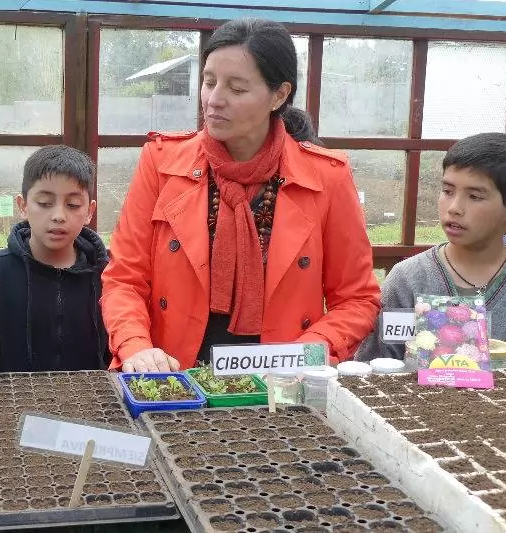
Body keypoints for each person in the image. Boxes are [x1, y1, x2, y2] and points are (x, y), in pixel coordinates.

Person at [100, 18, 381, 373]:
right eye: (208, 81)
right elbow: (125, 278)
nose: (214, 100)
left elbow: (357, 299)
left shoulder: (327, 177)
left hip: (279, 383)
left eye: (237, 88)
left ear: (279, 95)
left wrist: (304, 355)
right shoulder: (162, 163)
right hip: (171, 376)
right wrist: (136, 346)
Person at [356, 133, 506, 361]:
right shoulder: (409, 280)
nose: (454, 208)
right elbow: (377, 370)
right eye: (447, 191)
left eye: (474, 196)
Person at [0, 145, 109, 372]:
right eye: (44, 203)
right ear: (23, 206)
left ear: (89, 211)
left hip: (89, 403)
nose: (59, 216)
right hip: (12, 404)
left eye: (72, 205)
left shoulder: (106, 276)